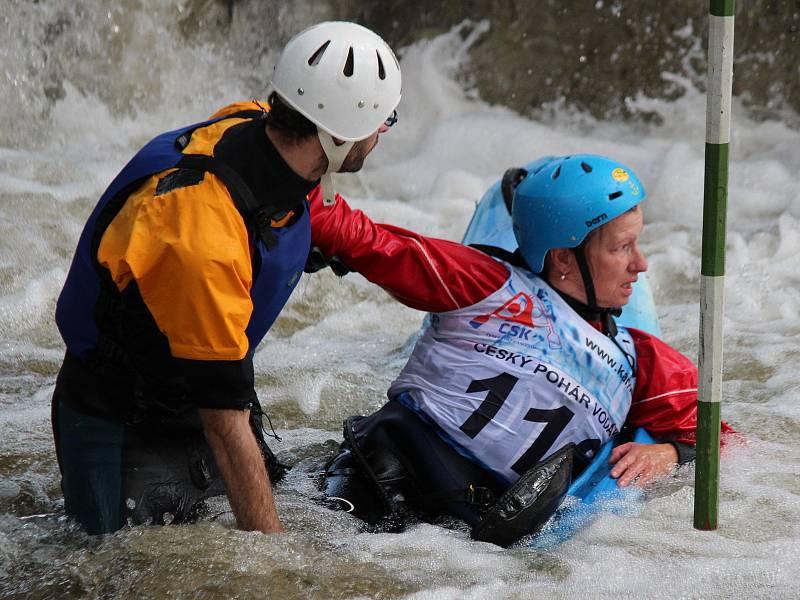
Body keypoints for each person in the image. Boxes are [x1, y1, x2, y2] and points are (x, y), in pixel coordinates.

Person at [51, 21, 401, 535]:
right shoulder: (203, 242)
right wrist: (276, 567)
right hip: (123, 424)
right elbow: (225, 419)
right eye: (383, 120)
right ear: (337, 137)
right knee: (113, 575)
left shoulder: (258, 124)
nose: (385, 131)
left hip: (195, 402)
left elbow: (299, 213)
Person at [307, 154, 733, 545]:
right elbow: (361, 239)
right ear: (564, 260)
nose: (641, 264)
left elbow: (721, 440)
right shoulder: (482, 283)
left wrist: (672, 452)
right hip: (379, 477)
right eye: (622, 248)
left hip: (470, 531)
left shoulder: (643, 365)